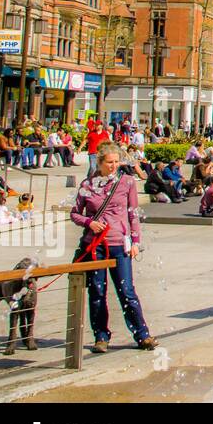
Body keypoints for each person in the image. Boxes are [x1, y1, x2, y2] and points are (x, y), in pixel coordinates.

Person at [69, 142, 157, 353]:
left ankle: (142, 334)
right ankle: (101, 336)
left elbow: (133, 213)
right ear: (99, 162)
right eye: (109, 162)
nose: (113, 166)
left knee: (126, 290)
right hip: (95, 245)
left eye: (117, 162)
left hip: (119, 244)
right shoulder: (88, 185)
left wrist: (136, 242)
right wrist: (89, 222)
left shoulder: (126, 182)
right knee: (98, 291)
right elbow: (75, 213)